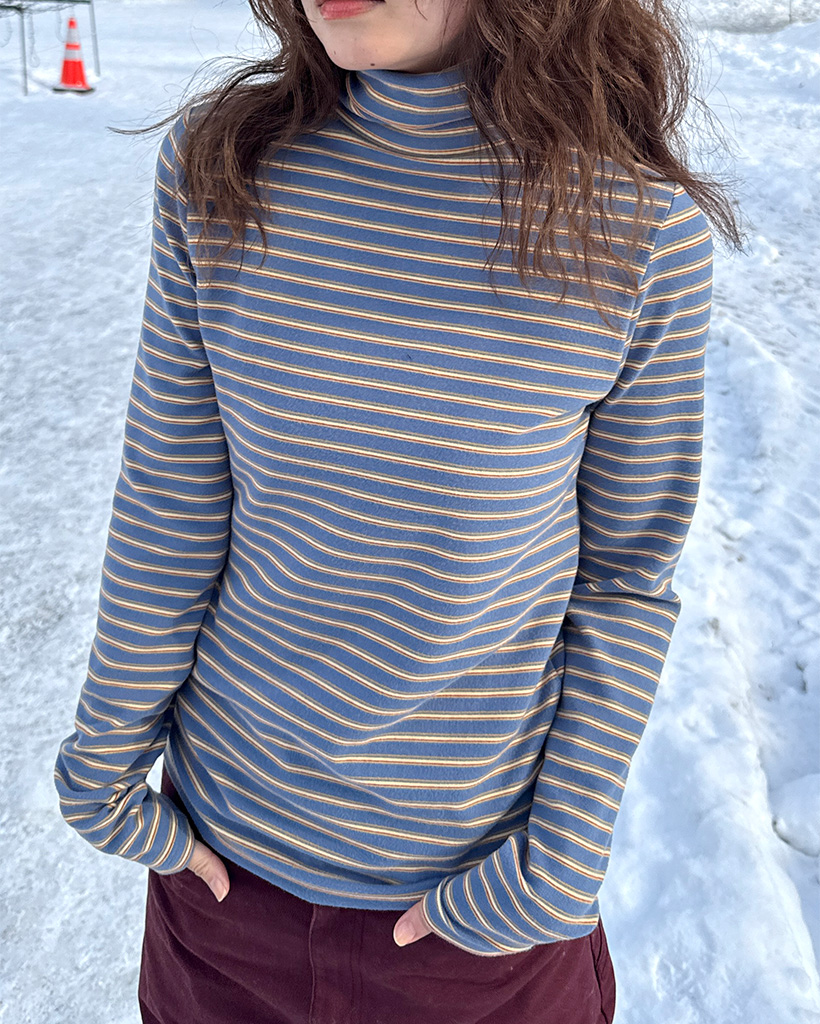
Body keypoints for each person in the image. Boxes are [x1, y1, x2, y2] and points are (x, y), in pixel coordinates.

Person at [53, 0, 741, 1021]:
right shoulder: (226, 171)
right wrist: (104, 756)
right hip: (222, 897)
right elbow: (173, 494)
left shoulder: (637, 234)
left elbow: (626, 575)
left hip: (475, 926)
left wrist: (559, 859)